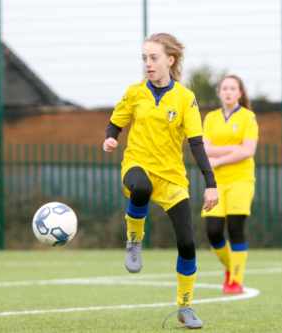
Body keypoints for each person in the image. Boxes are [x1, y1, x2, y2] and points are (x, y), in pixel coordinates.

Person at [103, 32, 219, 329]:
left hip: (171, 177)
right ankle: (133, 240)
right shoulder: (134, 92)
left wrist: (211, 182)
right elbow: (116, 122)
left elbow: (195, 143)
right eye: (144, 58)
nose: (148, 64)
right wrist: (110, 139)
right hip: (137, 164)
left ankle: (185, 307)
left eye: (153, 58)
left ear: (170, 60)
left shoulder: (185, 98)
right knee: (140, 188)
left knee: (187, 242)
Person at [201, 75, 258, 294]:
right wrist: (234, 149)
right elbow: (205, 148)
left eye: (233, 88)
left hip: (241, 180)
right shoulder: (211, 118)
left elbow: (248, 151)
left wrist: (219, 158)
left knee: (235, 229)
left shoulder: (248, 117)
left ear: (240, 94)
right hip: (215, 182)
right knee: (213, 231)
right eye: (224, 88)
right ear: (219, 92)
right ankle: (230, 268)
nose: (228, 92)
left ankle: (236, 280)